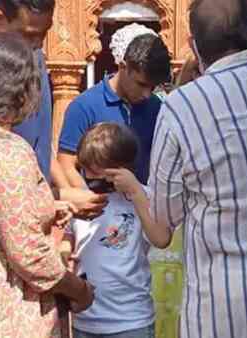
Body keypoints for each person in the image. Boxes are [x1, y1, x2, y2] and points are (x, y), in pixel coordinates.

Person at [149, 0, 247, 337]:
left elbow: (162, 223)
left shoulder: (181, 105)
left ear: (192, 44)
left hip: (221, 308)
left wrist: (133, 189)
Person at [0, 33, 94, 338]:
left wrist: (46, 207)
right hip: (4, 304)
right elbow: (27, 253)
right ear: (24, 92)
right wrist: (77, 289)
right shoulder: (7, 151)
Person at [0, 0, 109, 219]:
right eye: (28, 34)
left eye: (44, 34)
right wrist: (57, 196)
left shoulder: (32, 55)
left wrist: (70, 198)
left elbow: (39, 146)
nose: (37, 44)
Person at [62, 122, 171, 338]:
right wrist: (64, 251)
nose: (91, 179)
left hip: (131, 319)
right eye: (86, 171)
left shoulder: (144, 197)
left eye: (98, 173)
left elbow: (160, 237)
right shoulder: (84, 197)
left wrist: (135, 192)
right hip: (86, 319)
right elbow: (70, 234)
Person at [58, 33, 171, 188]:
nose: (146, 94)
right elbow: (66, 165)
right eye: (141, 84)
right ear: (123, 67)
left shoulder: (155, 107)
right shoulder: (84, 106)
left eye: (152, 88)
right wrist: (91, 201)